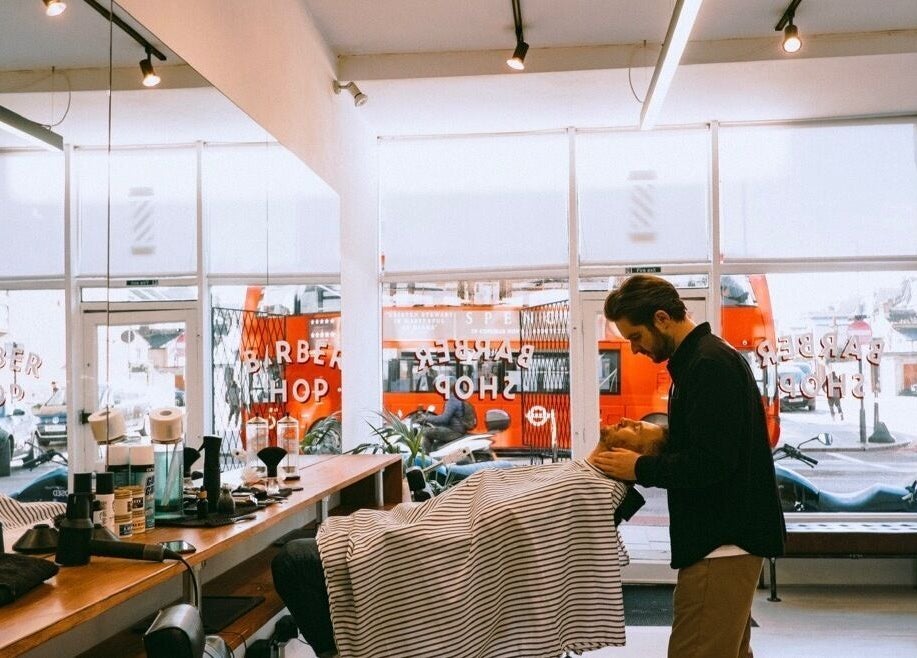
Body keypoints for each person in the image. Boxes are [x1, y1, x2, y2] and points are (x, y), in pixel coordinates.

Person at [272, 424, 656, 658]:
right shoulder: (579, 475)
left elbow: (496, 525)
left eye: (637, 431)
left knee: (291, 559)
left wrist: (430, 529)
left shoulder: (583, 487)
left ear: (631, 456)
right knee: (309, 549)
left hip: (435, 543)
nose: (627, 421)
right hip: (434, 526)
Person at [591, 274, 785, 658]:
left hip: (722, 543)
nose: (634, 349)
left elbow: (711, 464)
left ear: (661, 318)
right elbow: (710, 447)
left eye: (636, 337)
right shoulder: (701, 361)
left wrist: (640, 467)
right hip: (726, 541)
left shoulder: (708, 366)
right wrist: (658, 439)